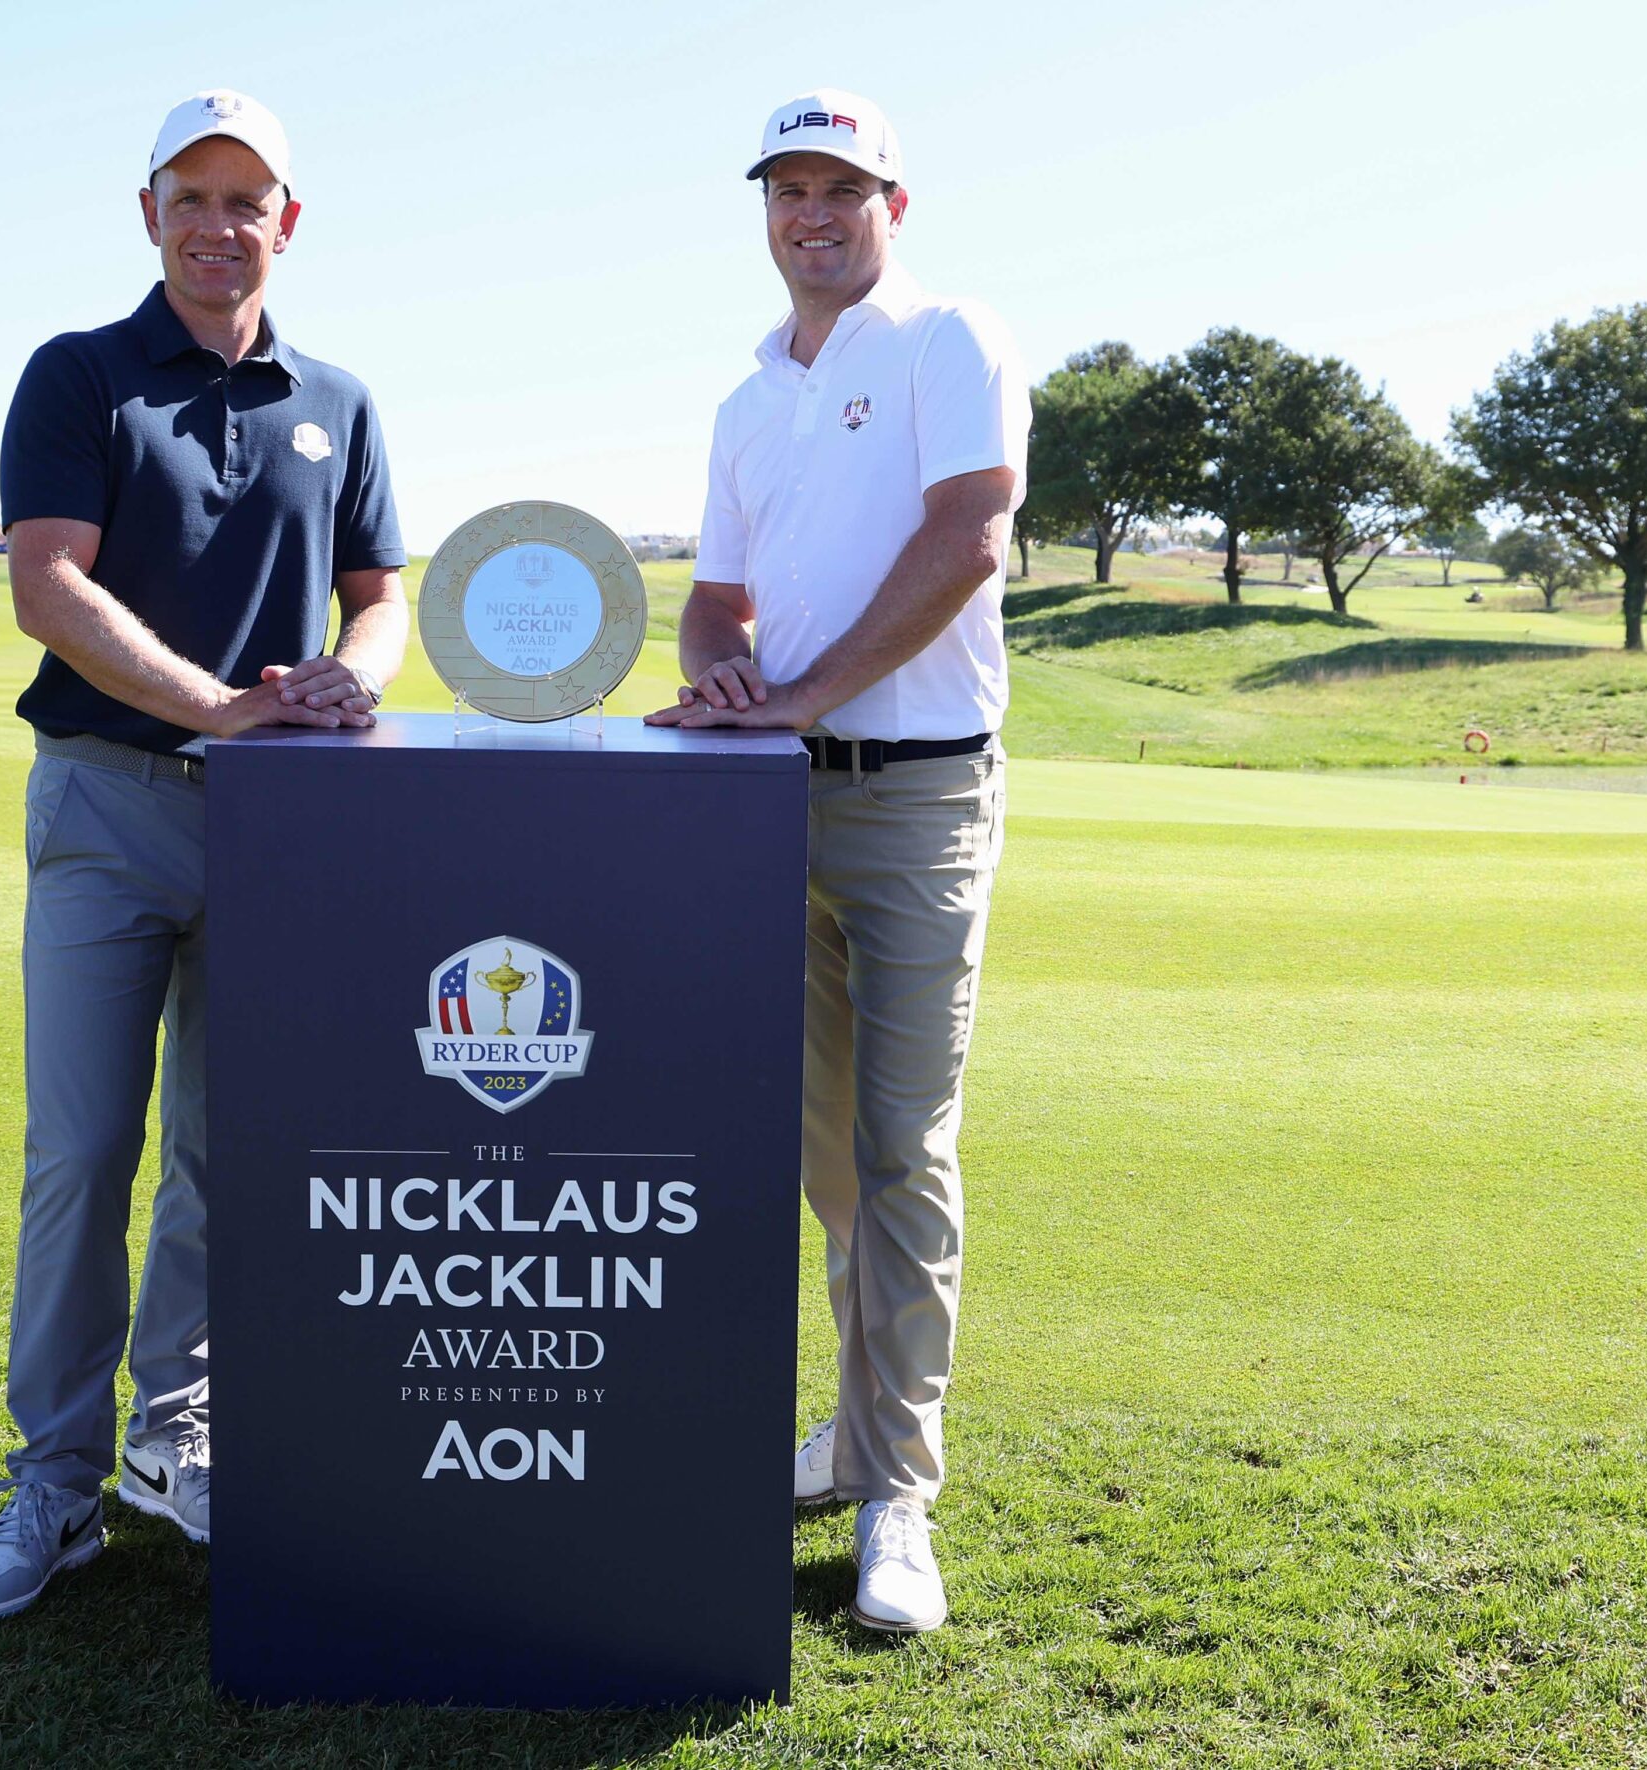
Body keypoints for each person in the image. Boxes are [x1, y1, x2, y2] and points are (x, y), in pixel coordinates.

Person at [0, 89, 408, 1622]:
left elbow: (379, 591)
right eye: (190, 197)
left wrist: (360, 673)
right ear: (150, 215)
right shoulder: (79, 376)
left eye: (247, 199)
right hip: (106, 805)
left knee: (220, 1161)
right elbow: (45, 586)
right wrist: (214, 703)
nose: (220, 224)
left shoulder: (337, 394)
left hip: (280, 829)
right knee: (79, 1156)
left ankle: (174, 1441)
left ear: (290, 219)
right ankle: (52, 1486)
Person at [645, 88, 1029, 1634]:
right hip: (769, 807)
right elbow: (717, 599)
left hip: (919, 798)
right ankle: (856, 1432)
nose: (814, 212)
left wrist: (802, 695)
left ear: (894, 201)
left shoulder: (950, 341)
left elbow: (969, 537)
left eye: (842, 187)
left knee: (903, 1150)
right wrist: (732, 676)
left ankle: (899, 1495)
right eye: (788, 189)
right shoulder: (748, 396)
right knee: (822, 1158)